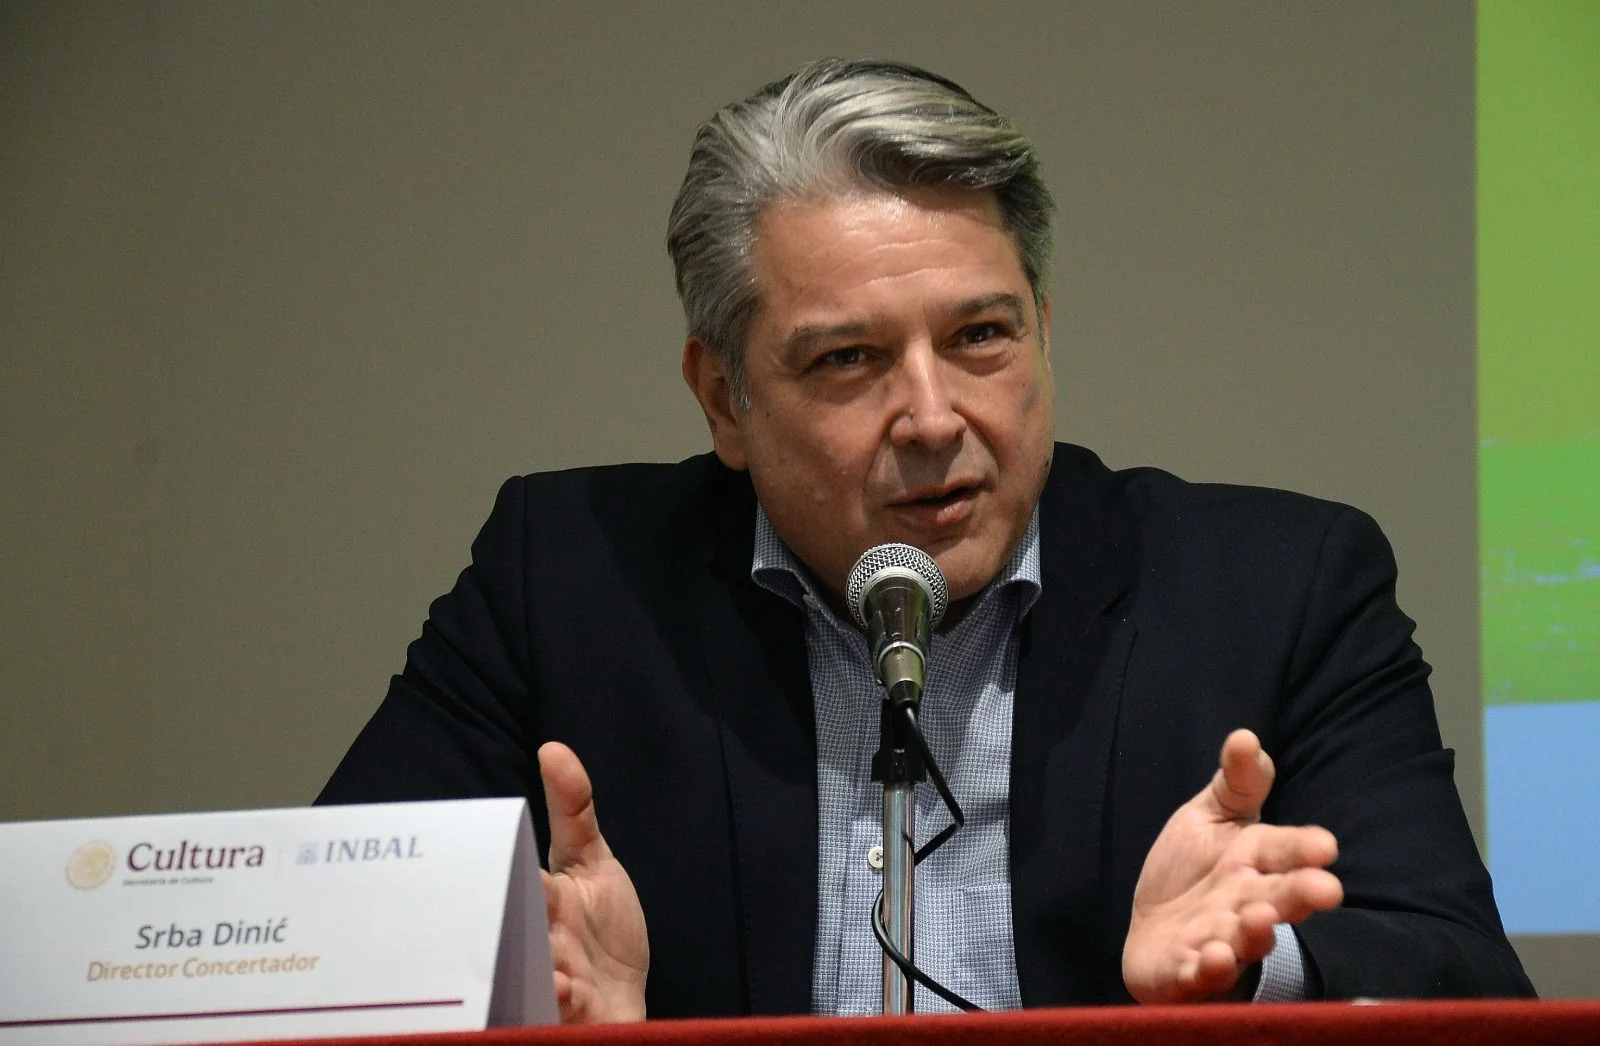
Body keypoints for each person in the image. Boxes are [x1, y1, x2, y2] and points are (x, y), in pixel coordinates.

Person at [318, 58, 1533, 1021]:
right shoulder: (568, 580)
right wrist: (532, 1007)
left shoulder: (1278, 588)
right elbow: (318, 948)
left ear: (1043, 332)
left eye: (980, 337)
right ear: (722, 398)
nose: (933, 417)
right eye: (848, 358)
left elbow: (1465, 978)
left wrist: (1249, 971)